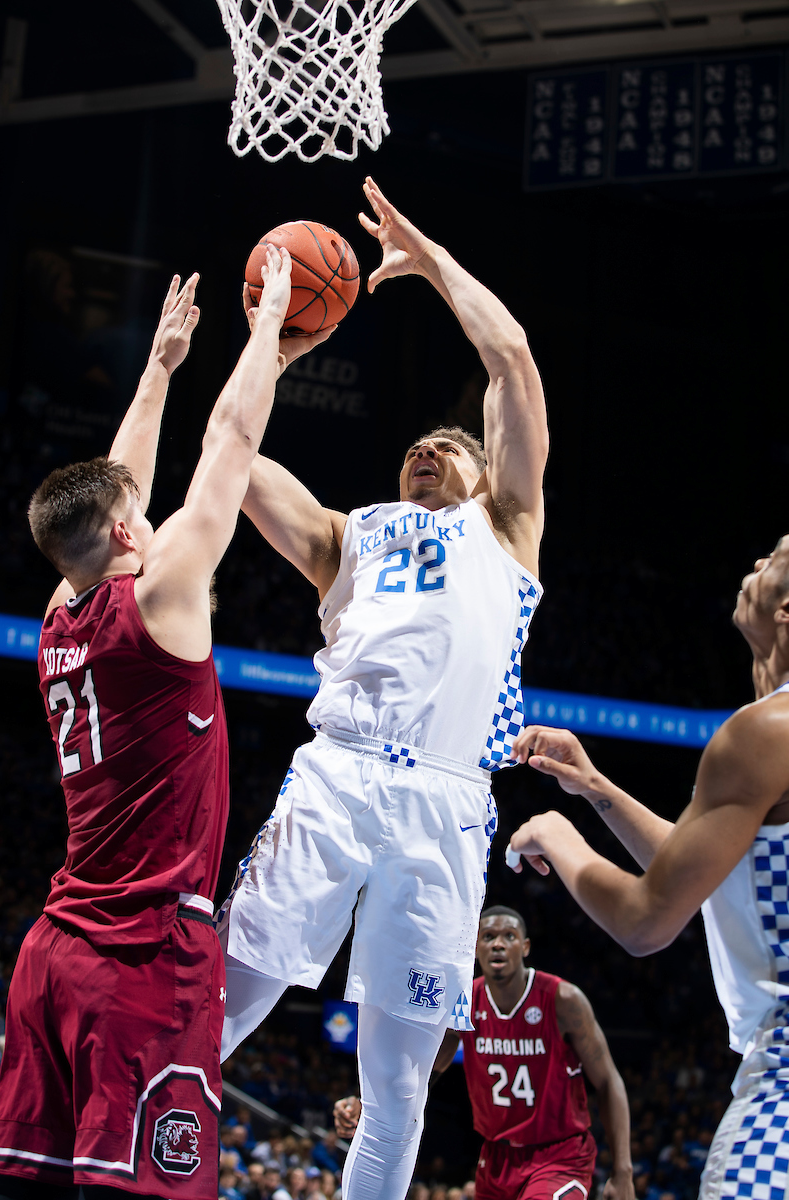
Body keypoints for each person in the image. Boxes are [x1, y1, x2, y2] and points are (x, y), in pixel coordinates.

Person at [216, 176, 550, 1200]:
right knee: (218, 1006)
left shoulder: (505, 527)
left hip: (445, 804)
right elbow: (228, 457)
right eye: (413, 446)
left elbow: (510, 358)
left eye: (447, 446)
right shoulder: (342, 535)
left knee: (397, 1088)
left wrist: (431, 259)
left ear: (489, 476)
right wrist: (269, 350)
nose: (425, 450)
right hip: (337, 778)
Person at [0, 248, 308, 1200]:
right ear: (133, 537)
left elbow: (111, 487)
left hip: (51, 957)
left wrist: (161, 367)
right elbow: (232, 446)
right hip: (142, 956)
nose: (154, 515)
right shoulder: (163, 597)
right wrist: (266, 333)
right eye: (142, 516)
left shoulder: (60, 611)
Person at [505, 534, 789, 1200]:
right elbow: (716, 870)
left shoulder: (763, 734)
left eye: (775, 555)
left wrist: (557, 832)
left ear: (786, 609)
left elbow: (646, 920)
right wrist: (597, 789)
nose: (756, 563)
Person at [334, 906, 634, 1200]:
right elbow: (426, 1069)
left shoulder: (563, 1000)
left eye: (509, 936)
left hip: (559, 1155)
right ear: (476, 947)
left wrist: (623, 1172)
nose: (498, 944)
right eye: (488, 937)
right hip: (496, 1158)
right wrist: (374, 1107)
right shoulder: (466, 1001)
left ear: (525, 946)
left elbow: (609, 1081)